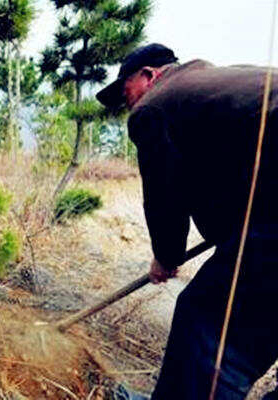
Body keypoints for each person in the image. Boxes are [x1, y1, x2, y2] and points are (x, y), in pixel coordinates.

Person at [96, 43, 278, 399]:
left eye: (124, 91)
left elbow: (165, 194)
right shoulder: (216, 86)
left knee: (209, 328)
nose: (125, 103)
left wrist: (166, 255)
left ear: (149, 75)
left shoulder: (155, 106)